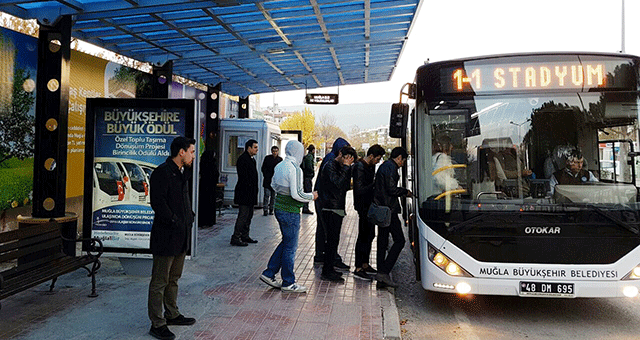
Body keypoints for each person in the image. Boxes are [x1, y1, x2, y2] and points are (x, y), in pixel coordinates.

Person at [148, 136, 197, 340]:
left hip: (180, 236)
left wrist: (189, 217)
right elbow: (158, 204)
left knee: (174, 278)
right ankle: (157, 323)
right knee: (160, 281)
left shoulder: (181, 172)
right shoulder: (162, 173)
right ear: (181, 152)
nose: (194, 156)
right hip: (166, 236)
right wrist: (175, 220)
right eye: (192, 151)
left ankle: (172, 313)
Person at [260, 141, 318, 293]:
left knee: (286, 242)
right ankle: (288, 282)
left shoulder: (280, 165)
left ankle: (269, 272)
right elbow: (297, 194)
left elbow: (273, 185)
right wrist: (311, 196)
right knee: (290, 248)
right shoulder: (295, 169)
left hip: (279, 208)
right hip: (291, 211)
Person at [373, 147, 411, 289]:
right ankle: (383, 272)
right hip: (389, 209)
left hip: (383, 209)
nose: (403, 163)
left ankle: (381, 277)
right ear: (399, 157)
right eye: (404, 160)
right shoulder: (391, 168)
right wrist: (405, 191)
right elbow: (391, 189)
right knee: (399, 240)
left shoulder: (385, 166)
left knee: (382, 242)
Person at [319, 145, 358, 283]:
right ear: (340, 154)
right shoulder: (330, 165)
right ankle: (326, 270)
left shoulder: (340, 167)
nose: (347, 161)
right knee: (331, 240)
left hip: (337, 207)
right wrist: (347, 168)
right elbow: (337, 184)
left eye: (350, 160)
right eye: (346, 158)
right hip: (330, 207)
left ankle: (330, 268)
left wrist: (347, 168)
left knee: (334, 240)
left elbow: (345, 186)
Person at [313, 137, 351, 273]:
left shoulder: (330, 158)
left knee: (323, 230)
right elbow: (336, 183)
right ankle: (328, 259)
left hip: (324, 200)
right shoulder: (331, 160)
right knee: (328, 232)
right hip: (326, 201)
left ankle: (322, 256)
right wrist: (346, 168)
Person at [352, 144, 386, 281]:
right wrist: (374, 183)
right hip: (363, 206)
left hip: (369, 204)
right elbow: (359, 189)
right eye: (377, 159)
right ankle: (358, 267)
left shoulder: (370, 166)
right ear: (371, 156)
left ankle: (365, 264)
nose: (377, 162)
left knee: (370, 234)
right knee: (364, 235)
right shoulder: (360, 167)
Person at [230, 139, 259, 247]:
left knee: (249, 216)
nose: (256, 149)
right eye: (255, 147)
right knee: (243, 215)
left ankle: (245, 235)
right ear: (249, 148)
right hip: (244, 193)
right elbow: (244, 177)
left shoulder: (252, 160)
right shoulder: (243, 159)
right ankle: (236, 237)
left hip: (251, 193)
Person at [198, 133, 219, 227]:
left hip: (204, 187)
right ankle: (209, 221)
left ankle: (204, 221)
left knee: (204, 205)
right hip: (210, 188)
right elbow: (215, 175)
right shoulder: (212, 164)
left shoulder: (204, 164)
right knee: (209, 205)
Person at [261, 145, 282, 216]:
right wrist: (266, 175)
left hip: (275, 181)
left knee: (273, 196)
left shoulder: (280, 159)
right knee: (266, 195)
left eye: (276, 151)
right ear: (271, 151)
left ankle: (271, 209)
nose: (275, 153)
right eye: (273, 151)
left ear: (278, 151)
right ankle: (265, 209)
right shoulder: (267, 158)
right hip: (267, 180)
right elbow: (263, 168)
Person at [300, 144, 316, 214]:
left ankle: (305, 207)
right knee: (308, 192)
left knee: (306, 191)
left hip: (305, 176)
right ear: (313, 150)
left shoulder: (307, 156)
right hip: (307, 176)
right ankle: (305, 208)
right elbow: (309, 167)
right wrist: (312, 172)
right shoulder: (310, 157)